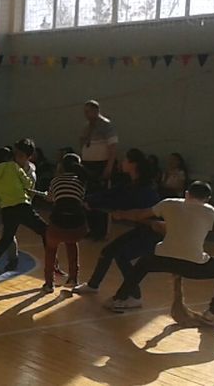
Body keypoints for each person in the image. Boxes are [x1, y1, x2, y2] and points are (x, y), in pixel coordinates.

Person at [106, 181, 214, 329]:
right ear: (208, 199)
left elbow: (139, 214)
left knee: (143, 263)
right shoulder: (211, 212)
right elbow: (187, 226)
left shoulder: (168, 203)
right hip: (194, 265)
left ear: (186, 194)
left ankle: (119, 298)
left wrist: (121, 214)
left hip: (164, 259)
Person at [73, 149, 161, 297]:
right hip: (142, 231)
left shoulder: (145, 189)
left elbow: (120, 202)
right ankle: (93, 285)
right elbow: (110, 194)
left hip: (153, 234)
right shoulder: (131, 184)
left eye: (125, 160)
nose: (122, 162)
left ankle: (135, 296)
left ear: (133, 164)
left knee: (122, 256)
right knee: (108, 252)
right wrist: (88, 200)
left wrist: (94, 204)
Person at [0, 138, 48, 275]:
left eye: (20, 155)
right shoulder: (9, 167)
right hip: (9, 205)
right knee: (6, 236)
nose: (16, 157)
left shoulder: (28, 173)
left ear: (29, 157)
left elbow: (29, 192)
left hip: (17, 206)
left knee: (8, 237)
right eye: (16, 154)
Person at [40, 153, 89, 293]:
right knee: (71, 243)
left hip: (57, 224)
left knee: (51, 249)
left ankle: (49, 284)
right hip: (77, 226)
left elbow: (51, 198)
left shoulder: (56, 180)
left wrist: (49, 195)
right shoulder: (82, 181)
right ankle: (73, 278)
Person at [80, 100, 119, 241]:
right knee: (89, 198)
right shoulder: (86, 127)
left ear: (96, 111)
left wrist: (109, 167)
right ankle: (92, 229)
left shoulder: (106, 125)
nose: (86, 114)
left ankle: (102, 231)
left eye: (88, 111)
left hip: (101, 165)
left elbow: (113, 148)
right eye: (85, 112)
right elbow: (82, 143)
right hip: (88, 165)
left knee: (101, 198)